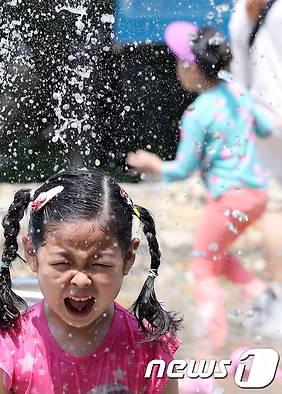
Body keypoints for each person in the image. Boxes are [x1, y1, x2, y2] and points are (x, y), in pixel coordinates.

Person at [126, 22, 280, 354]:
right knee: (216, 256)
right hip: (257, 193)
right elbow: (267, 127)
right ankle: (263, 298)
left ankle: (213, 342)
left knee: (202, 267)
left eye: (178, 62)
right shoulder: (236, 92)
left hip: (227, 198)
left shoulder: (197, 114)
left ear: (191, 67)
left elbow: (182, 169)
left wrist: (154, 165)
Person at [0, 170, 181, 393]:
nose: (81, 280)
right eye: (63, 263)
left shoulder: (149, 349)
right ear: (32, 253)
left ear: (128, 258)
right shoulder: (7, 350)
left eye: (99, 265)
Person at [229, 0, 282, 288]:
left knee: (275, 210)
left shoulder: (241, 11)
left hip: (267, 119)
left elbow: (240, 82)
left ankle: (280, 290)